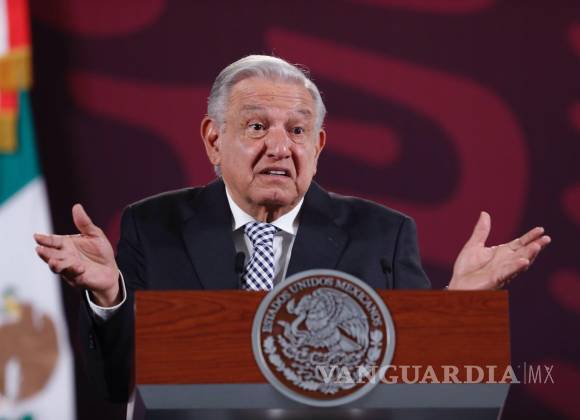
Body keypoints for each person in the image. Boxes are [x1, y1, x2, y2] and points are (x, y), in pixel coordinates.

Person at [33, 55, 550, 402]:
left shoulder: (382, 235)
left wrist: (458, 307)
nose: (280, 147)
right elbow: (116, 384)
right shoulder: (154, 226)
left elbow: (415, 385)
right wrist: (110, 297)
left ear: (317, 146)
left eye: (297, 130)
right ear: (214, 140)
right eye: (258, 126)